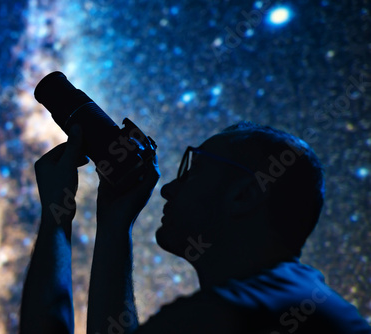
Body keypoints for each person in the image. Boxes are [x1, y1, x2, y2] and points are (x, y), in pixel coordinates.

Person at [19, 121, 371, 334]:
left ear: (245, 194)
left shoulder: (231, 315)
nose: (171, 188)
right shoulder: (298, 300)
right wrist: (114, 223)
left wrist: (55, 218)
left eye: (194, 169)